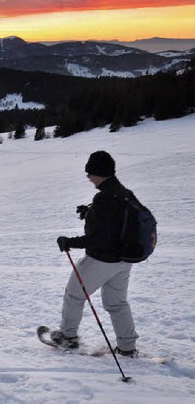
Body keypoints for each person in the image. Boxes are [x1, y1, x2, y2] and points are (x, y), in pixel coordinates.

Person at [54, 151, 139, 356]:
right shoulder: (125, 193)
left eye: (90, 172)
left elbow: (99, 238)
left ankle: (68, 337)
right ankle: (127, 347)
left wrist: (69, 242)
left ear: (99, 172)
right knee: (117, 303)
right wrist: (90, 213)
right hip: (124, 260)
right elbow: (114, 224)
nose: (88, 177)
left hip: (101, 259)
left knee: (74, 294)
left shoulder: (104, 198)